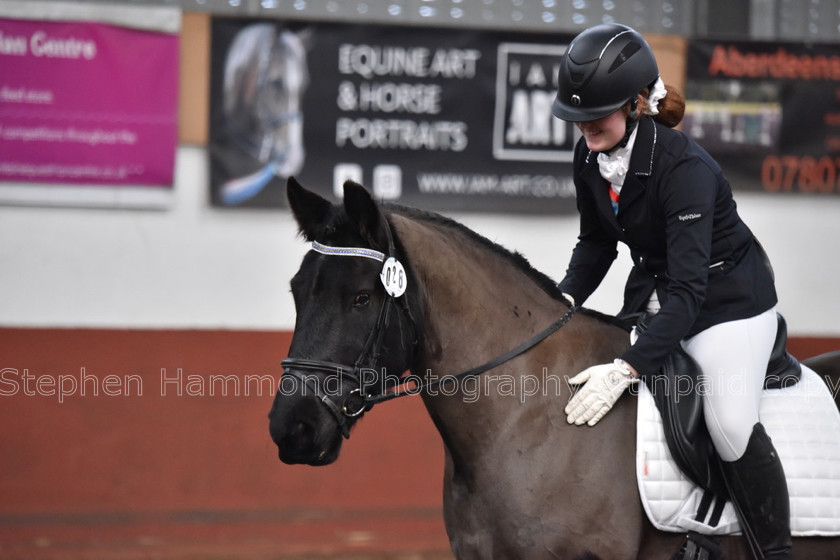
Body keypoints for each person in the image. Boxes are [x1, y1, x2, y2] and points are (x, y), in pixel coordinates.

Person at [552, 23, 791, 559]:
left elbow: (689, 290)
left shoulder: (684, 168)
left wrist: (627, 368)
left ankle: (774, 549)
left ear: (637, 103)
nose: (586, 126)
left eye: (598, 113)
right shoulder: (590, 158)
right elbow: (596, 245)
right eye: (578, 117)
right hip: (663, 290)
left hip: (729, 303)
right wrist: (562, 300)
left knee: (728, 423)